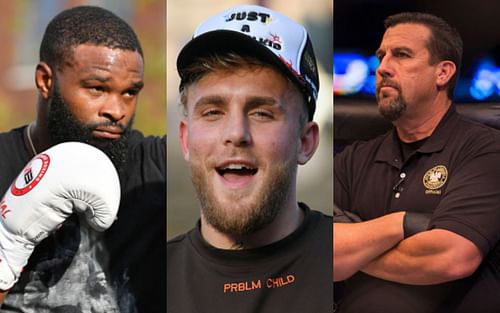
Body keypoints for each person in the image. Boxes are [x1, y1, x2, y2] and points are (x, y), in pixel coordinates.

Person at [167, 4, 332, 313]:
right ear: (186, 139)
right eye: (213, 112)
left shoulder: (354, 271)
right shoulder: (138, 286)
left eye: (262, 112)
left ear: (305, 142)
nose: (236, 133)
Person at [0, 6, 165, 312]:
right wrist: (8, 245)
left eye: (130, 93)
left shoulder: (154, 167)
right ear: (46, 81)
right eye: (97, 88)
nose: (117, 111)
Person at [334, 11, 500, 313]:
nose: (382, 68)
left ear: (443, 73)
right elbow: (312, 251)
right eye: (381, 56)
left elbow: (450, 258)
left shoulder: (486, 151)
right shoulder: (352, 158)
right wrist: (402, 223)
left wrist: (353, 250)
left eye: (401, 55)